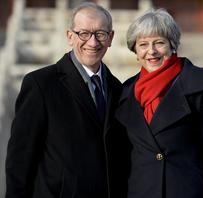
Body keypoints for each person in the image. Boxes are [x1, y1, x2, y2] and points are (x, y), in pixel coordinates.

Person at [5, 2, 123, 198]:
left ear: (110, 38)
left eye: (100, 34)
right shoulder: (41, 84)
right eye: (83, 34)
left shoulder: (118, 89)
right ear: (70, 36)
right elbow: (20, 159)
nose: (93, 42)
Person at [115, 8, 203, 198]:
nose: (151, 51)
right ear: (135, 51)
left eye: (159, 43)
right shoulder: (125, 92)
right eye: (143, 44)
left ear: (173, 45)